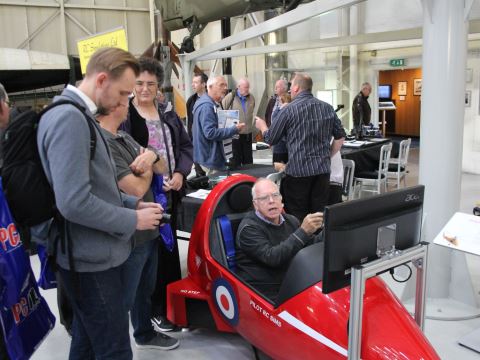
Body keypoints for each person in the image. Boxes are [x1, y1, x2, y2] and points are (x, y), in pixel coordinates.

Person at [37, 47, 164, 360]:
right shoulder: (70, 119)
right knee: (114, 349)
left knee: (88, 342)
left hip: (88, 254)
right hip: (90, 260)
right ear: (102, 79)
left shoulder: (76, 116)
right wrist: (130, 220)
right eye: (122, 93)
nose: (124, 102)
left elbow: (96, 185)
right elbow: (73, 201)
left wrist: (130, 204)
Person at [98, 103, 180, 350]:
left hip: (149, 228)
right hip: (129, 233)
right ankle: (113, 347)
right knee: (124, 296)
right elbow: (134, 188)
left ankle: (144, 333)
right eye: (124, 97)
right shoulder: (104, 143)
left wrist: (152, 157)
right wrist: (149, 164)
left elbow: (162, 165)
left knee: (145, 288)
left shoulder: (124, 137)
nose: (128, 104)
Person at [124, 57, 193, 332]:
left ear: (158, 86)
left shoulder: (167, 111)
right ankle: (151, 310)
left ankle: (170, 304)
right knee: (146, 256)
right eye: (139, 83)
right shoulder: (126, 115)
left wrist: (179, 174)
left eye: (150, 84)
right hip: (142, 196)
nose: (144, 89)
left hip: (171, 191)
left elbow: (185, 147)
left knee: (169, 251)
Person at [255, 72, 345, 222]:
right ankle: (316, 245)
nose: (289, 90)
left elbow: (271, 138)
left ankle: (300, 244)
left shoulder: (288, 110)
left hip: (298, 174)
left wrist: (262, 126)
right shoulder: (327, 108)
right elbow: (340, 137)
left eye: (290, 87)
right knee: (317, 217)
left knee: (296, 219)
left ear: (296, 88)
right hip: (322, 174)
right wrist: (328, 156)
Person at [235, 178, 324, 301]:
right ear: (255, 204)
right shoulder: (248, 229)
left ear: (281, 199)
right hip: (262, 290)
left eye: (275, 195)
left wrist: (329, 230)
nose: (271, 201)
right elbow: (272, 257)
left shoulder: (291, 220)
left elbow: (309, 245)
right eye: (264, 198)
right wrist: (303, 231)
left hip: (289, 279)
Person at [193, 75, 245, 175]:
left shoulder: (210, 103)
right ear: (210, 87)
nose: (225, 88)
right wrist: (233, 129)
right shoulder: (207, 106)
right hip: (210, 160)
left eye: (225, 85)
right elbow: (210, 133)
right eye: (221, 85)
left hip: (208, 157)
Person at [221, 78, 255, 167]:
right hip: (234, 135)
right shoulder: (230, 97)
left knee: (248, 161)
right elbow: (222, 110)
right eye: (245, 87)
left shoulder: (251, 98)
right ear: (238, 87)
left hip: (247, 135)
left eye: (248, 87)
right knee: (235, 161)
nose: (247, 89)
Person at [186, 73, 208, 177]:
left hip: (208, 140)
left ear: (203, 84)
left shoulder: (212, 98)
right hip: (195, 140)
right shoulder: (191, 101)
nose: (192, 85)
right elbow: (190, 121)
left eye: (195, 82)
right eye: (192, 82)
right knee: (199, 169)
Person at [271, 92, 291, 173]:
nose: (278, 103)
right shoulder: (293, 110)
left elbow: (274, 126)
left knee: (278, 170)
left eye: (279, 101)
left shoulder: (278, 111)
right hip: (289, 148)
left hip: (280, 148)